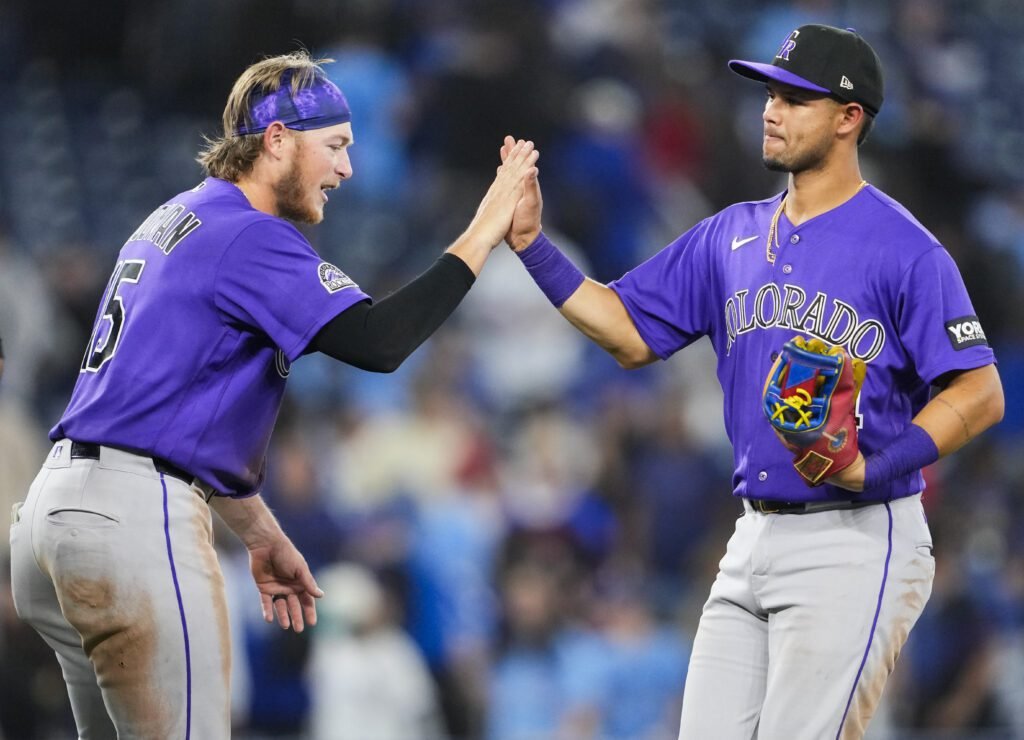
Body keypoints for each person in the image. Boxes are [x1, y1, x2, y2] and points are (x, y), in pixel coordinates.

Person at [9, 50, 538, 739]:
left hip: (56, 516)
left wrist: (260, 533)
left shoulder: (177, 217)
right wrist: (485, 229)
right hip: (131, 524)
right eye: (336, 145)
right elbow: (378, 342)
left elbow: (167, 412)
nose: (347, 168)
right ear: (278, 140)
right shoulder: (248, 234)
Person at [502, 24, 1004, 739]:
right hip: (753, 535)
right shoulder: (729, 235)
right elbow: (626, 331)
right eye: (772, 93)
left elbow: (981, 392)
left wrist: (878, 467)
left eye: (796, 98)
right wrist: (532, 247)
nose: (771, 109)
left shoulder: (906, 250)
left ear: (848, 117)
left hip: (857, 537)